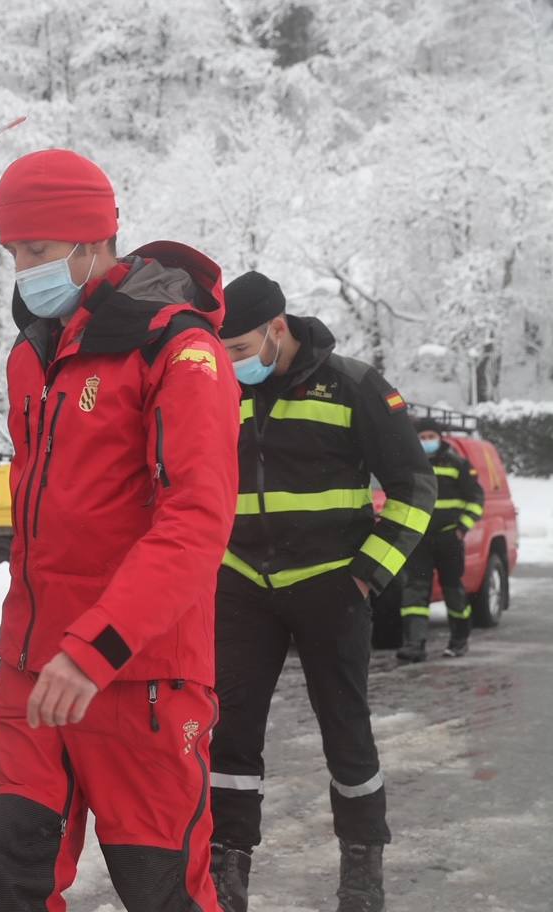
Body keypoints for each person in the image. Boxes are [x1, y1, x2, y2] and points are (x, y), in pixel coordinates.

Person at [0, 149, 242, 912]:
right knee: (7, 888)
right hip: (32, 674)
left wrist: (95, 650)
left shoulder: (180, 350)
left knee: (161, 896)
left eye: (40, 251)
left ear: (95, 241)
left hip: (139, 680)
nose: (24, 270)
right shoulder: (33, 353)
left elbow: (196, 520)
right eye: (15, 252)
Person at [210, 272, 436, 912]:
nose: (228, 363)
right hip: (242, 587)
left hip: (331, 587)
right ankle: (227, 874)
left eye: (237, 349)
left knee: (346, 731)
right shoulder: (220, 390)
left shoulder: (355, 385)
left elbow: (416, 491)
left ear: (276, 329)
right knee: (229, 734)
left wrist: (367, 574)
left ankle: (362, 873)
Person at [396, 416, 485, 661]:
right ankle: (415, 644)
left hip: (449, 538)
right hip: (419, 540)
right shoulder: (410, 464)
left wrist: (462, 527)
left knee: (453, 590)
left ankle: (459, 640)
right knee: (415, 591)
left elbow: (476, 499)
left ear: (439, 437)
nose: (427, 441)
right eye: (422, 438)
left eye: (431, 437)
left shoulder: (458, 464)